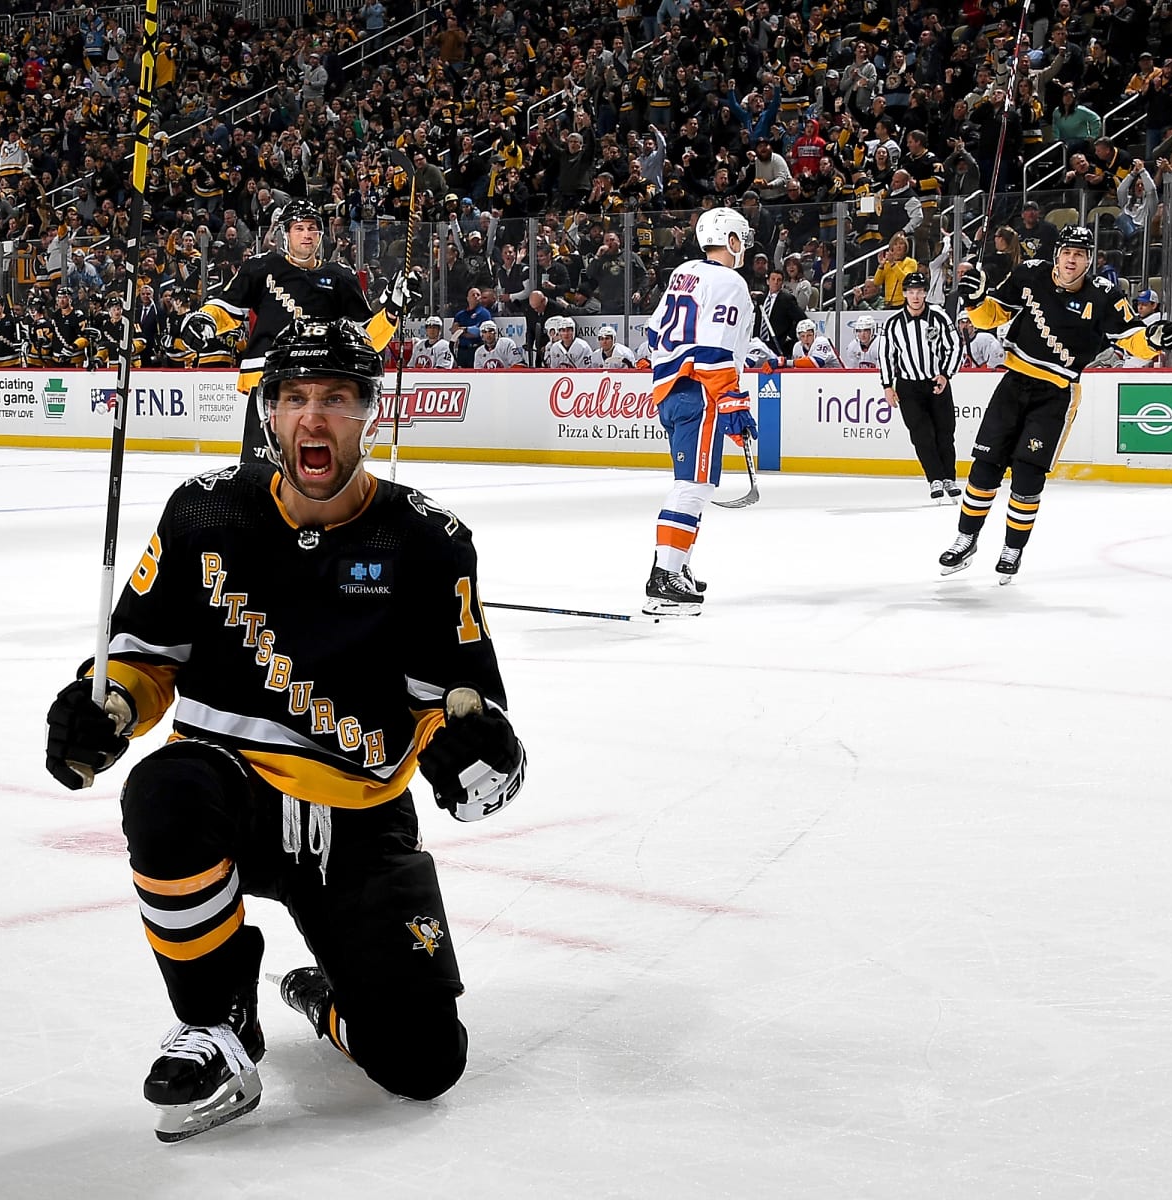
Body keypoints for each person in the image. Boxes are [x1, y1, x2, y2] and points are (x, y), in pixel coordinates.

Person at [42, 319, 526, 1143]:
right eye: (295, 397)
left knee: (422, 1064)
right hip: (231, 798)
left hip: (361, 823)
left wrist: (482, 759)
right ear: (268, 412)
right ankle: (216, 1022)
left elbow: (471, 718)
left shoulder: (426, 543)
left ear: (369, 413)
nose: (314, 418)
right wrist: (106, 710)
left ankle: (320, 993)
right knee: (165, 789)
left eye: (336, 398)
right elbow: (142, 659)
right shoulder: (205, 514)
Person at [943, 227, 1172, 582]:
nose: (1072, 259)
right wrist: (974, 302)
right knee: (985, 467)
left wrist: (1153, 339)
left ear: (1089, 260)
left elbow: (1132, 338)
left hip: (1056, 392)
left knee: (1027, 473)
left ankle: (1013, 549)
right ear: (1057, 254)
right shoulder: (1030, 274)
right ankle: (966, 539)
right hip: (1014, 382)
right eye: (1067, 251)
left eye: (1080, 254)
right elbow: (994, 315)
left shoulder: (1104, 296)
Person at [183, 200, 410, 463]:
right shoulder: (262, 267)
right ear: (286, 234)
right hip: (270, 383)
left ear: (320, 234)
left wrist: (391, 311)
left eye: (311, 228)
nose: (306, 234)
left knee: (314, 472)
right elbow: (226, 306)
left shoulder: (340, 277)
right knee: (260, 475)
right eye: (298, 228)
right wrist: (205, 320)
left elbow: (366, 338)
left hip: (320, 386)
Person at [644, 207, 756, 616]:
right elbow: (714, 348)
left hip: (672, 391)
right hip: (701, 390)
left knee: (693, 483)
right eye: (740, 238)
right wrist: (730, 399)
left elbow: (654, 331)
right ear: (730, 240)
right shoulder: (730, 282)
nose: (742, 246)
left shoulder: (683, 272)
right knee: (693, 486)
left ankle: (680, 567)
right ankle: (664, 577)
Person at [879, 271, 963, 503]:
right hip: (908, 386)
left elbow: (955, 346)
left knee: (945, 433)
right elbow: (886, 356)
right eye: (911, 291)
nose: (915, 296)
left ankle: (949, 478)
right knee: (922, 434)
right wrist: (887, 385)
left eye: (920, 291)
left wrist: (946, 375)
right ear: (904, 294)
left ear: (925, 293)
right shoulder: (893, 323)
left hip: (936, 382)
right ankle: (935, 479)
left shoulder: (939, 316)